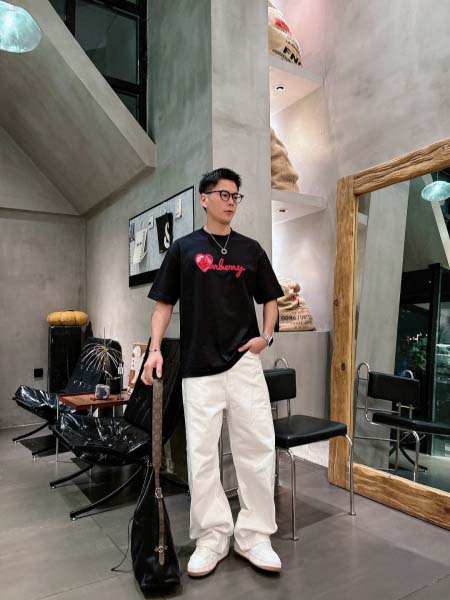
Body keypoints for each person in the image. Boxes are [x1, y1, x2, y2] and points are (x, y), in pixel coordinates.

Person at [142, 168, 283, 578]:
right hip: (198, 366)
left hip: (244, 364)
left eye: (236, 196)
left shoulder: (251, 250)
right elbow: (163, 306)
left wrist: (266, 337)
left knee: (257, 449)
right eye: (224, 194)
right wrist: (154, 351)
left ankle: (254, 536)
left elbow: (271, 298)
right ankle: (212, 536)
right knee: (201, 456)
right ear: (204, 199)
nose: (231, 201)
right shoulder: (183, 249)